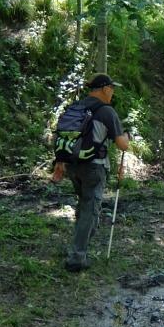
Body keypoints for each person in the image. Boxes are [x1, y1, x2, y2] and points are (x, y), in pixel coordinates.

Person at [52, 73, 130, 272]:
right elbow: (122, 144)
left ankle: (78, 246)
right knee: (90, 209)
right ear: (104, 88)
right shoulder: (106, 111)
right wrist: (127, 136)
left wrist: (59, 163)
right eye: (112, 88)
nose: (113, 92)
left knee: (85, 204)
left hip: (72, 164)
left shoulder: (76, 106)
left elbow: (64, 134)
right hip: (94, 167)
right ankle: (77, 258)